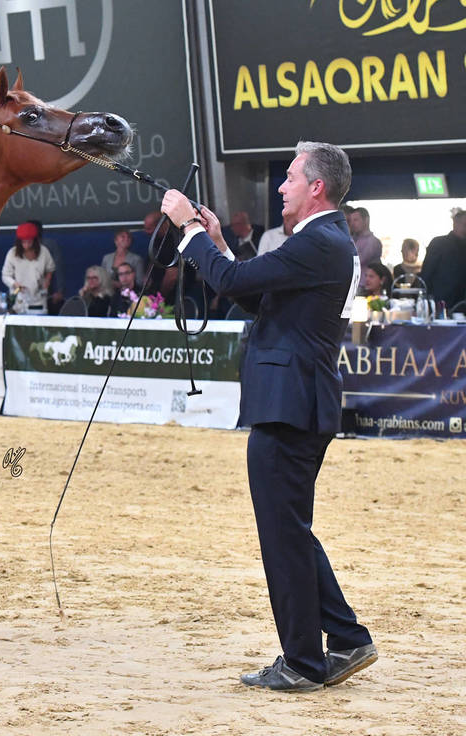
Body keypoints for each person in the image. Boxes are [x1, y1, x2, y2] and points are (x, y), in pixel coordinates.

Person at [161, 140, 376, 693]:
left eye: (289, 177)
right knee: (290, 531)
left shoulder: (319, 241)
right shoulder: (320, 242)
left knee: (283, 536)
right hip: (295, 403)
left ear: (316, 187)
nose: (280, 187)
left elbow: (235, 285)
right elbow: (257, 296)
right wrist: (216, 245)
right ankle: (346, 638)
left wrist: (188, 231)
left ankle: (303, 662)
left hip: (291, 406)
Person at [1, 221, 55, 314]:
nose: (26, 245)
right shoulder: (12, 253)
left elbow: (50, 268)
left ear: (35, 241)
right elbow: (5, 276)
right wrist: (15, 284)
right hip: (19, 300)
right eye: (23, 242)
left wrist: (47, 281)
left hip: (38, 300)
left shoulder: (44, 252)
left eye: (29, 242)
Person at [420, 210, 466, 307]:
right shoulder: (439, 243)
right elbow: (426, 273)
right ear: (455, 223)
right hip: (441, 302)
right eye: (465, 224)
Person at [346, 207, 382, 288]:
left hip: (364, 286)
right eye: (350, 220)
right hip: (354, 285)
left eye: (356, 220)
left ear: (366, 220)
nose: (352, 223)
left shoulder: (373, 241)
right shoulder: (353, 239)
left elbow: (356, 261)